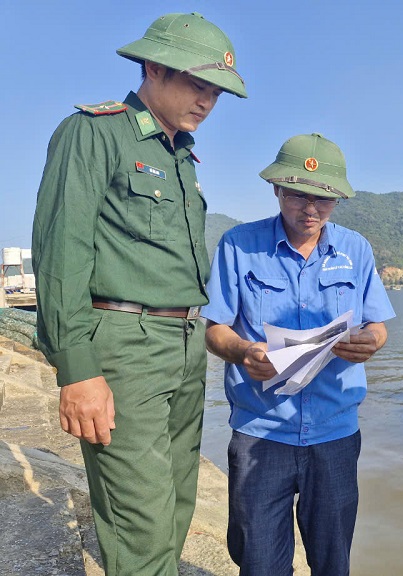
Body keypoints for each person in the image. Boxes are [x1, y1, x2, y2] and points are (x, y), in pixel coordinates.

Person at [31, 12, 247, 576]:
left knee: (174, 509)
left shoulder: (181, 156)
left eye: (216, 92)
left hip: (182, 344)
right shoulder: (95, 132)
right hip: (124, 347)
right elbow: (61, 252)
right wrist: (78, 371)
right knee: (141, 527)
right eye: (198, 84)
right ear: (153, 67)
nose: (208, 102)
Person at [202, 132, 395, 575]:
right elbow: (214, 331)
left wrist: (371, 342)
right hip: (260, 432)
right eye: (297, 195)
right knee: (259, 563)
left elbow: (377, 325)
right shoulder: (238, 245)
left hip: (335, 433)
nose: (310, 209)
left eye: (324, 199)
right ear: (276, 190)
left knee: (332, 562)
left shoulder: (355, 249)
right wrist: (244, 352)